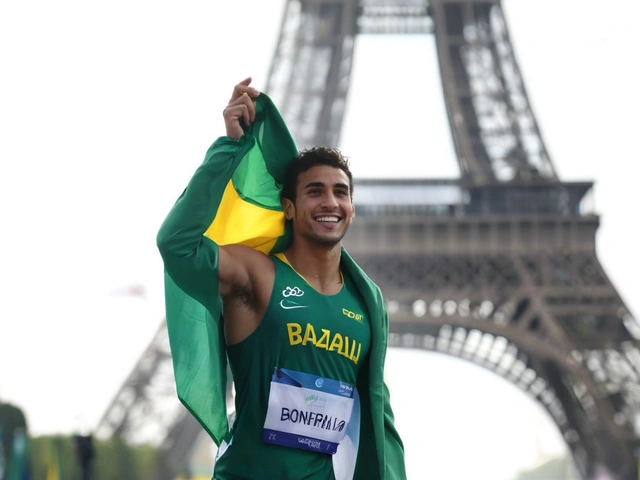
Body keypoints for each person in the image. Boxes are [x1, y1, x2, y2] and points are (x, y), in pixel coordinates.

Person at [157, 77, 406, 480]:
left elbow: (378, 416)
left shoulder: (365, 301)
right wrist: (229, 150)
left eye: (341, 193)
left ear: (352, 209)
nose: (330, 202)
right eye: (315, 191)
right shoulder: (257, 274)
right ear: (288, 207)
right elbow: (177, 244)